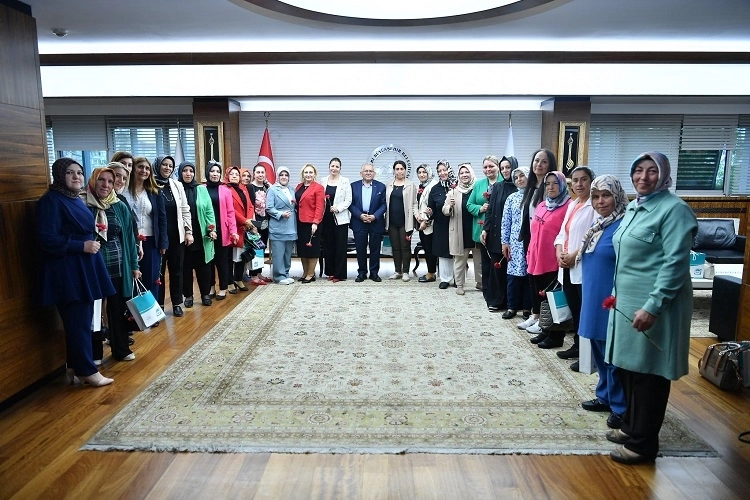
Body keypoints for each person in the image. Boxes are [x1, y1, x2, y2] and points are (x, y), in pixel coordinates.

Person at [605, 152, 697, 465]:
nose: (643, 177)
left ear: (664, 174)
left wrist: (653, 306)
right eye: (638, 170)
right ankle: (631, 428)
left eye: (651, 171)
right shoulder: (635, 206)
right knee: (630, 368)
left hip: (655, 306)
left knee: (649, 375)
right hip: (627, 303)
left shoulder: (674, 210)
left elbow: (675, 263)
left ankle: (643, 445)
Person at [36, 158, 115, 387]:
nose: (76, 176)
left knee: (82, 320)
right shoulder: (51, 201)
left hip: (83, 266)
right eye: (70, 172)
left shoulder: (73, 198)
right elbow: (47, 239)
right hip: (68, 270)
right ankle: (86, 370)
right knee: (78, 322)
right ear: (60, 175)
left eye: (79, 172)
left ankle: (73, 365)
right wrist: (81, 246)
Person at [577, 174, 629, 431]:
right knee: (598, 348)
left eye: (606, 195)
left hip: (612, 300)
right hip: (593, 296)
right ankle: (605, 395)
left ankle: (620, 407)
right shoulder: (599, 225)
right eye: (596, 197)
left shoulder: (624, 226)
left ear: (617, 196)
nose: (600, 201)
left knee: (613, 353)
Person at [83, 166, 141, 362]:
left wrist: (134, 266)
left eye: (110, 181)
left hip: (118, 266)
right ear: (93, 180)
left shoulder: (119, 206)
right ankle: (95, 353)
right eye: (101, 180)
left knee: (117, 308)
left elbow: (129, 239)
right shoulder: (83, 204)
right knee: (94, 312)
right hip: (93, 268)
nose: (106, 185)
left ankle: (121, 349)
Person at [554, 166, 597, 361]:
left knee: (584, 310)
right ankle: (577, 346)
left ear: (591, 182)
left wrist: (575, 255)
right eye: (575, 180)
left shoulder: (594, 206)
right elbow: (562, 233)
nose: (579, 184)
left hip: (582, 266)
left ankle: (587, 354)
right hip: (566, 265)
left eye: (584, 179)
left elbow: (594, 237)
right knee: (574, 308)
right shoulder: (573, 205)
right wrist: (559, 252)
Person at [525, 170, 571, 346]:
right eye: (547, 184)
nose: (551, 187)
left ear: (562, 185)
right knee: (542, 298)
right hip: (536, 257)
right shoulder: (543, 205)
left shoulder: (568, 206)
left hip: (553, 260)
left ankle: (556, 336)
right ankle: (545, 329)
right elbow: (534, 231)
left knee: (554, 298)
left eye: (555, 183)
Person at [122, 157, 168, 322]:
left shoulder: (155, 191)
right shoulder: (123, 190)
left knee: (151, 277)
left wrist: (163, 242)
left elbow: (162, 218)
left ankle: (150, 316)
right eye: (140, 167)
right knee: (131, 278)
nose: (144, 171)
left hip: (151, 240)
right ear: (133, 169)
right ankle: (133, 317)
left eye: (147, 168)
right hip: (129, 240)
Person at [153, 154, 193, 317]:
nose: (167, 168)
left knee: (177, 271)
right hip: (158, 238)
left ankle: (176, 303)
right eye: (164, 164)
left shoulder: (177, 185)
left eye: (170, 166)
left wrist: (188, 231)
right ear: (157, 165)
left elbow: (185, 209)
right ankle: (159, 305)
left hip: (177, 236)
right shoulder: (150, 184)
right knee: (159, 273)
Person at [479, 155, 518, 313]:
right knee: (497, 269)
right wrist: (485, 229)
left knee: (512, 270)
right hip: (496, 234)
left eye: (508, 167)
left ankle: (512, 302)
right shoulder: (498, 186)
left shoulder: (520, 187)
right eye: (502, 168)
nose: (505, 170)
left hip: (514, 236)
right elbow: (490, 211)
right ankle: (496, 300)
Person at [179, 160, 216, 307]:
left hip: (201, 234)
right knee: (185, 268)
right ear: (180, 173)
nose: (188, 174)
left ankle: (205, 294)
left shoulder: (201, 189)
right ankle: (188, 296)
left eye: (191, 171)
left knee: (204, 267)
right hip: (183, 235)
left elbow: (209, 211)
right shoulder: (177, 187)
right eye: (185, 171)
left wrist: (212, 229)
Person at [204, 161, 239, 300]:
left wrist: (233, 231)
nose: (215, 174)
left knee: (222, 261)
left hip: (222, 230)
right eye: (212, 171)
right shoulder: (201, 189)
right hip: (206, 231)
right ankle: (211, 287)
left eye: (217, 171)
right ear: (207, 173)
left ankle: (223, 288)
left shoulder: (225, 190)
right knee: (208, 262)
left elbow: (230, 213)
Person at [501, 166, 532, 321]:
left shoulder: (535, 196)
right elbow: (506, 221)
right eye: (517, 177)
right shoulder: (511, 198)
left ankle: (527, 308)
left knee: (529, 275)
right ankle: (512, 306)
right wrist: (504, 242)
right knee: (513, 276)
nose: (519, 179)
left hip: (531, 242)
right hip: (514, 242)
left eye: (522, 176)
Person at [350, 163, 387, 282]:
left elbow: (384, 205)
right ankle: (362, 273)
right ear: (361, 173)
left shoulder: (381, 186)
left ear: (374, 173)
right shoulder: (353, 186)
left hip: (375, 221)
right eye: (366, 171)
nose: (368, 173)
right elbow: (350, 204)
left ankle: (374, 273)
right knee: (360, 248)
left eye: (370, 171)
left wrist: (375, 216)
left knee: (375, 249)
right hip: (359, 221)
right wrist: (360, 215)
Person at [444, 163, 476, 295]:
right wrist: (450, 206)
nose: (464, 175)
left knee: (479, 260)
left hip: (475, 230)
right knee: (459, 260)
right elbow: (444, 210)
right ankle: (460, 284)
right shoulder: (453, 191)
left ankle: (481, 283)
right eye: (461, 173)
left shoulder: (477, 188)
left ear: (471, 173)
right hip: (460, 230)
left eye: (467, 172)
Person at [385, 160, 418, 282]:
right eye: (397, 169)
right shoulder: (389, 185)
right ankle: (397, 271)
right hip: (391, 222)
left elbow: (414, 203)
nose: (399, 171)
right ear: (394, 171)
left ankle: (405, 272)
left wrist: (417, 216)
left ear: (405, 170)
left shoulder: (410, 185)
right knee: (395, 248)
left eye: (401, 169)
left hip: (405, 222)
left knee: (405, 247)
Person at [320, 157, 352, 282]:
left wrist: (338, 208)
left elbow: (348, 200)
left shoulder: (345, 181)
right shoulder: (323, 180)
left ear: (340, 168)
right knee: (328, 246)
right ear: (329, 167)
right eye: (332, 166)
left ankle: (339, 274)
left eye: (337, 166)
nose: (334, 168)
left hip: (340, 218)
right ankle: (330, 272)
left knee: (340, 246)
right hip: (326, 218)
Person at [225, 165, 256, 291]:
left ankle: (238, 279)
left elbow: (250, 206)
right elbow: (230, 209)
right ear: (227, 176)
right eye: (232, 174)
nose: (234, 176)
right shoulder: (225, 189)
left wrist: (248, 220)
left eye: (237, 174)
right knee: (230, 257)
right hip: (232, 227)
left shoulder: (243, 189)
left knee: (242, 255)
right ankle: (229, 281)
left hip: (244, 227)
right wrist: (244, 220)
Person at [427, 160, 456, 289]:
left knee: (457, 251)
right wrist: (429, 213)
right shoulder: (435, 189)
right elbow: (431, 209)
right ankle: (445, 279)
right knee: (443, 251)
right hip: (441, 225)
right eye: (439, 171)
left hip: (457, 223)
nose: (442, 173)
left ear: (449, 170)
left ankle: (458, 278)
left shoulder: (458, 185)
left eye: (444, 170)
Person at [266, 166, 297, 284]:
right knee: (278, 254)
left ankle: (286, 274)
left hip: (291, 226)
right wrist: (280, 214)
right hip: (278, 226)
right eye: (281, 175)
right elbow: (269, 208)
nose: (284, 177)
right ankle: (279, 276)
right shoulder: (272, 190)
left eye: (286, 175)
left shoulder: (292, 190)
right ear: (278, 177)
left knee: (288, 254)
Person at [295, 163, 326, 283]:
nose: (308, 174)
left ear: (314, 174)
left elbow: (320, 207)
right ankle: (305, 272)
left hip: (312, 223)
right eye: (306, 172)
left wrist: (315, 222)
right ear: (303, 174)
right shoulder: (299, 186)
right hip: (300, 222)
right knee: (302, 249)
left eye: (310, 172)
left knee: (312, 249)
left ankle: (311, 273)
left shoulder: (319, 188)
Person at [246, 164, 273, 284]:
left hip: (266, 222)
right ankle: (253, 276)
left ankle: (259, 273)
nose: (260, 175)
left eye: (262, 172)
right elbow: (249, 206)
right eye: (258, 172)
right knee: (255, 248)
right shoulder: (250, 187)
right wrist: (252, 225)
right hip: (255, 222)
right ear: (254, 174)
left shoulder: (267, 187)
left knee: (262, 247)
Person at [414, 163, 438, 283]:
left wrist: (425, 221)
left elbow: (432, 207)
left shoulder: (433, 186)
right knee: (427, 248)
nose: (422, 174)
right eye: (419, 172)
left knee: (430, 250)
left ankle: (431, 273)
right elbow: (418, 204)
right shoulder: (422, 186)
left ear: (429, 173)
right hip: (421, 222)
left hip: (430, 224)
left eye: (424, 172)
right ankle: (430, 271)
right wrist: (418, 217)